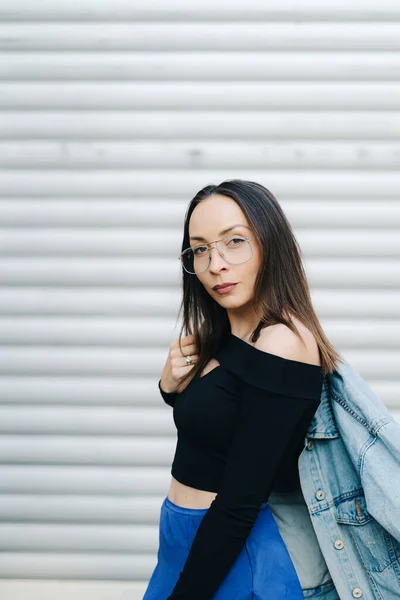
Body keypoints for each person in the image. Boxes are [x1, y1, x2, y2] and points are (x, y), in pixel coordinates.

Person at [142, 179, 342, 600]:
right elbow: (214, 428)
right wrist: (170, 387)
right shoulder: (227, 333)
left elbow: (240, 500)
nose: (215, 263)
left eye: (234, 242)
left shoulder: (283, 341)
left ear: (270, 244)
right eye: (200, 249)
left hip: (236, 555)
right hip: (182, 537)